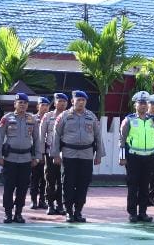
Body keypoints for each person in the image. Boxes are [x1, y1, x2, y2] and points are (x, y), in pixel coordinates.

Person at [53, 90, 105, 223]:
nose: (81, 102)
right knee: (68, 183)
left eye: (83, 100)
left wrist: (99, 154)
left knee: (83, 184)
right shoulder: (64, 116)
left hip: (86, 155)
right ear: (72, 101)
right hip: (69, 154)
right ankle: (69, 211)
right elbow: (56, 136)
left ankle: (78, 211)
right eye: (78, 100)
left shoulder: (92, 117)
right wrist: (55, 155)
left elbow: (98, 136)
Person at [0, 93, 41, 224]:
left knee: (22, 188)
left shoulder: (32, 119)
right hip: (10, 159)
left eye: (25, 103)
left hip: (26, 159)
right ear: (15, 104)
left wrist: (37, 157)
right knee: (8, 187)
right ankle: (8, 213)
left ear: (28, 105)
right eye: (20, 102)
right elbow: (0, 138)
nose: (22, 105)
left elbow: (37, 139)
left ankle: (18, 213)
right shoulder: (7, 118)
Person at [120, 92, 154, 223]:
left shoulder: (153, 120)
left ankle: (143, 212)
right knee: (133, 186)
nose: (143, 106)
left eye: (145, 103)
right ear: (135, 105)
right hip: (133, 157)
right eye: (140, 103)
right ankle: (132, 213)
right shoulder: (129, 120)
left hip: (149, 157)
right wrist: (122, 157)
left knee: (145, 186)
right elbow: (122, 140)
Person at [42, 93, 70, 215]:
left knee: (62, 180)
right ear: (54, 103)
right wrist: (40, 153)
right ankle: (50, 204)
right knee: (50, 179)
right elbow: (41, 135)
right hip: (50, 153)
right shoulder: (48, 117)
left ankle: (60, 205)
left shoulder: (70, 116)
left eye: (64, 101)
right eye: (60, 101)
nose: (62, 103)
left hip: (66, 153)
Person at [30, 96, 51, 210]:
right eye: (42, 105)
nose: (44, 107)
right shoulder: (32, 118)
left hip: (47, 152)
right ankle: (33, 200)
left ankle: (42, 200)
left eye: (47, 105)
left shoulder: (51, 118)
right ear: (38, 106)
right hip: (35, 152)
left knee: (45, 178)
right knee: (34, 177)